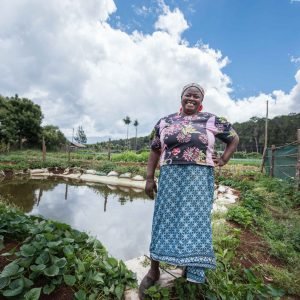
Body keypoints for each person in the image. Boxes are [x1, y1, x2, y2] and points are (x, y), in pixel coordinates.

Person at [138, 83, 239, 299]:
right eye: (188, 95)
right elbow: (155, 150)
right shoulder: (165, 121)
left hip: (199, 178)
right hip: (170, 178)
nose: (191, 98)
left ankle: (188, 268)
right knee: (163, 219)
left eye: (196, 96)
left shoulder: (211, 120)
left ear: (201, 102)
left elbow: (234, 138)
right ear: (181, 97)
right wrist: (149, 178)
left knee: (194, 221)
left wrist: (223, 159)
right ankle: (153, 270)